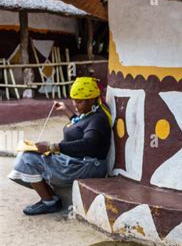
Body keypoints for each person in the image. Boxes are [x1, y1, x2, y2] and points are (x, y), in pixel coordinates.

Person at [9, 76, 112, 215]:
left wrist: (54, 147)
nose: (75, 104)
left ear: (92, 99)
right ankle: (50, 197)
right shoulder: (91, 112)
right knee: (29, 155)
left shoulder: (97, 119)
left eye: (79, 101)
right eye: (73, 100)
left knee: (28, 159)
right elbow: (80, 125)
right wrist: (66, 110)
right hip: (79, 162)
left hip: (86, 166)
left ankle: (49, 201)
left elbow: (89, 143)